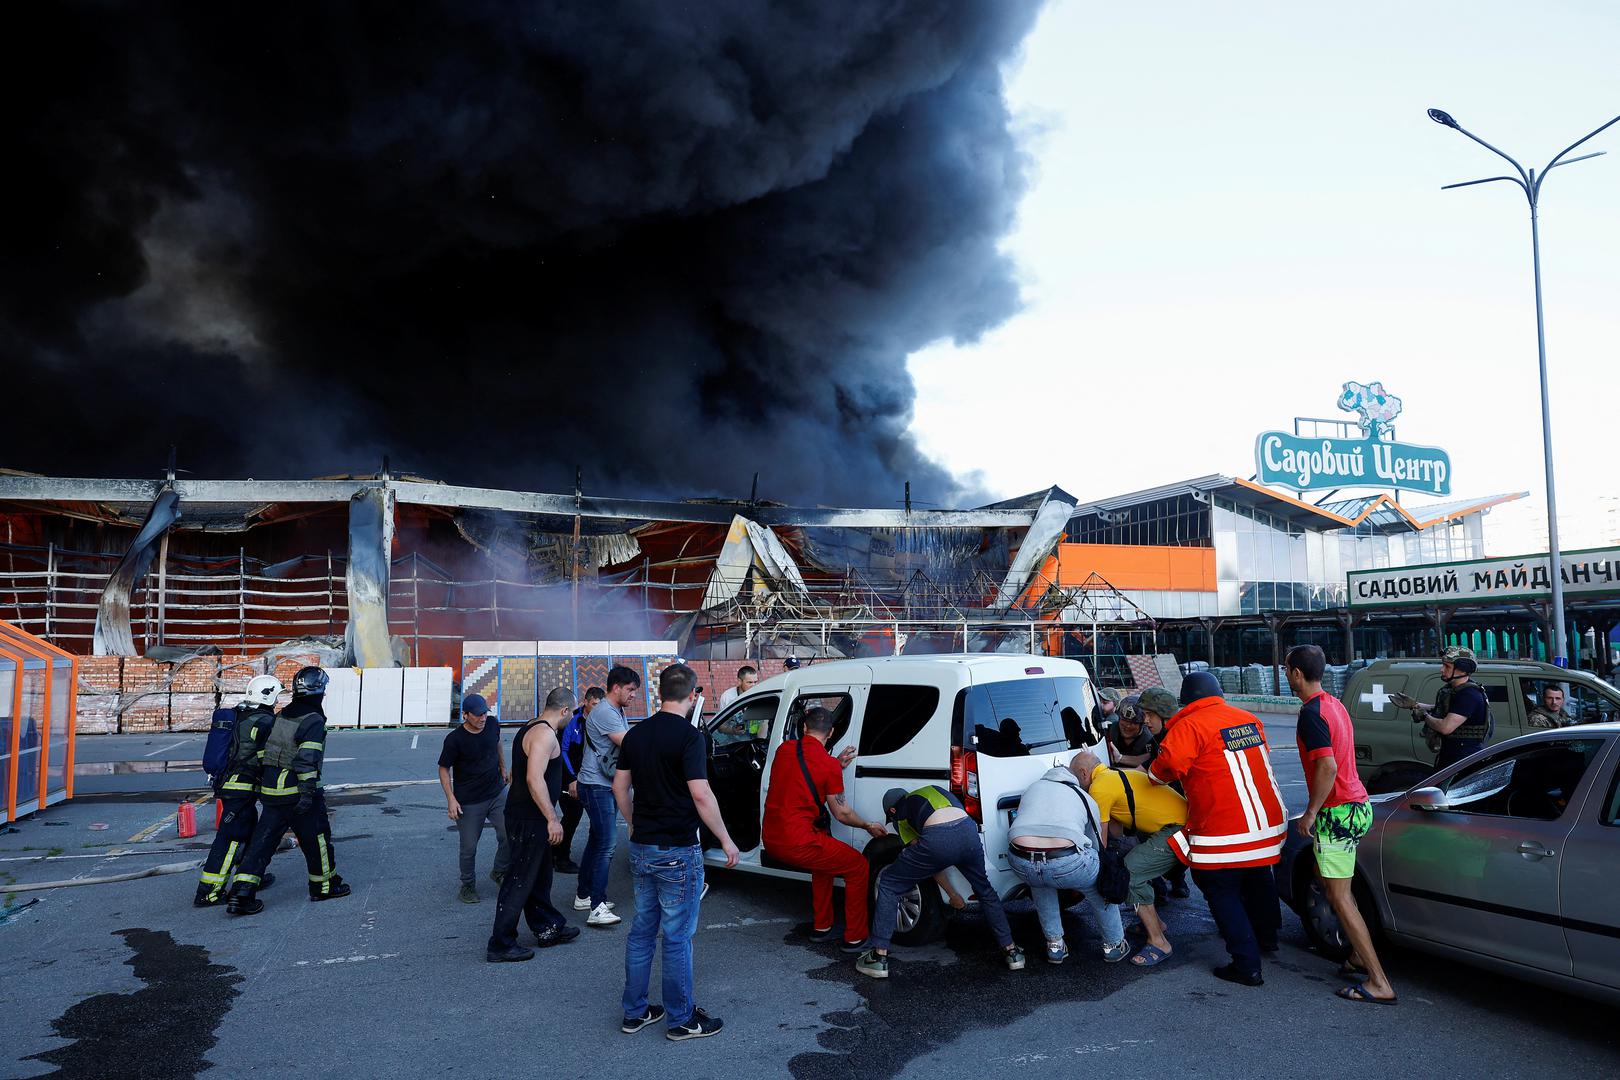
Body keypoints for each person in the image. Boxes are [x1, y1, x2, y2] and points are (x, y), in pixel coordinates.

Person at [613, 663, 741, 1041]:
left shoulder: (636, 735)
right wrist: (727, 839)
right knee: (676, 937)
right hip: (678, 850)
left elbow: (620, 788)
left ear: (658, 692)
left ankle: (635, 1013)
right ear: (693, 695)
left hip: (642, 846)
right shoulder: (689, 737)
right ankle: (682, 1020)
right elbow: (701, 793)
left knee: (641, 933)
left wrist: (633, 822)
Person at [1147, 670, 1285, 987]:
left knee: (1219, 887)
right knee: (1257, 873)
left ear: (1186, 700)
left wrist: (1153, 770)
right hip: (1266, 824)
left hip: (1223, 827)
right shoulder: (1248, 719)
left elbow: (1164, 770)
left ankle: (1246, 964)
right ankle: (1267, 937)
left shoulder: (1188, 724)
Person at [1285, 644, 1396, 1005]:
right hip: (1357, 805)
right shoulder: (1334, 704)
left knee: (1339, 897)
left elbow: (1328, 767)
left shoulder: (1310, 714)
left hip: (1337, 812)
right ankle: (1356, 955)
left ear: (1297, 674)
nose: (1287, 676)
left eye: (1288, 670)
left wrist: (1311, 812)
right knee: (1331, 881)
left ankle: (1378, 980)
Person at [856, 786, 1025, 979]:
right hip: (968, 831)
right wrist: (953, 895)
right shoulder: (932, 791)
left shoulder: (901, 816)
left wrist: (952, 893)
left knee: (889, 883)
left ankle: (878, 958)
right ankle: (1012, 952)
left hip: (939, 839)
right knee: (985, 890)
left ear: (892, 810)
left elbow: (930, 862)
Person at [762, 707, 886, 952]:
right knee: (857, 866)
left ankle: (822, 927)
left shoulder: (783, 750)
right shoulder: (827, 765)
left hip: (772, 838)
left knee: (825, 860)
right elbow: (842, 813)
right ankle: (855, 937)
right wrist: (867, 825)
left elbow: (802, 769)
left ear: (804, 728)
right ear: (831, 733)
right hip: (799, 842)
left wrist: (835, 765)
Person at [226, 667, 350, 914]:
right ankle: (323, 887)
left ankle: (241, 893)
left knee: (261, 844)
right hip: (297, 792)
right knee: (317, 840)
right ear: (320, 690)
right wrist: (306, 793)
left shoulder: (282, 715)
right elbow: (306, 759)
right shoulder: (313, 719)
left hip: (272, 791)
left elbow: (265, 752)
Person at [487, 687, 582, 962]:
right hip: (530, 818)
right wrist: (552, 818)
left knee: (540, 876)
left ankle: (548, 927)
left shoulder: (530, 726)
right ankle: (501, 943)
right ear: (564, 710)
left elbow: (517, 772)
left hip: (525, 814)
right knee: (519, 879)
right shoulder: (544, 734)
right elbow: (533, 778)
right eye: (572, 713)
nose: (571, 718)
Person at [1005, 753, 1128, 966]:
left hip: (1020, 861)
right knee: (1099, 885)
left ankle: (1054, 946)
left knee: (1040, 883)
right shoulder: (1084, 797)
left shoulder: (1032, 789)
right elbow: (1096, 843)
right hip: (1066, 864)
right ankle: (1114, 945)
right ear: (1078, 775)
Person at [1078, 745, 1188, 968]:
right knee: (1130, 862)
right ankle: (1156, 923)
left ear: (1083, 774)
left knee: (1129, 873)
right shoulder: (1115, 774)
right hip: (1181, 823)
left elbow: (1102, 838)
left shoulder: (1099, 788)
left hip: (1177, 830)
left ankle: (1159, 942)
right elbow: (1118, 829)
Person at [194, 675, 282, 906]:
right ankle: (209, 891)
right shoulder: (263, 721)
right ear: (268, 696)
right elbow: (268, 757)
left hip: (232, 784)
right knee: (231, 838)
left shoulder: (241, 714)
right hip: (241, 787)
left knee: (249, 832)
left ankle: (249, 877)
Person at [576, 665, 641, 926]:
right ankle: (597, 906)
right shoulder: (605, 711)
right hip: (597, 785)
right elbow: (629, 743)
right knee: (607, 844)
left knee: (596, 841)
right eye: (630, 690)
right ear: (616, 688)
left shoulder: (615, 709)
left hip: (600, 784)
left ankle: (584, 894)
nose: (634, 695)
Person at [438, 693, 511, 903]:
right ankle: (467, 885)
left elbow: (496, 743)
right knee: (469, 846)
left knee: (509, 833)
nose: (482, 718)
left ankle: (499, 870)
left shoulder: (492, 725)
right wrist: (451, 799)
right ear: (465, 715)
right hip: (469, 801)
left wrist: (503, 767)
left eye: (484, 714)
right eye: (477, 715)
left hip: (497, 792)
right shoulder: (455, 740)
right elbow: (444, 769)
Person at [1136, 687, 1190, 901]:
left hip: (1185, 805)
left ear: (1164, 713)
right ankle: (1160, 886)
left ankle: (1175, 880)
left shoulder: (1178, 736)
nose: (1145, 721)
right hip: (1169, 802)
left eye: (1149, 715)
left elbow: (1158, 771)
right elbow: (1149, 765)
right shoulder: (1157, 739)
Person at [1404, 647, 1492, 770]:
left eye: (1447, 666)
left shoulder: (1469, 695)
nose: (1441, 669)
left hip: (1463, 760)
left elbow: (1446, 727)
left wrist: (1424, 715)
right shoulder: (1456, 690)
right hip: (1453, 756)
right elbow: (1448, 710)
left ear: (1462, 670)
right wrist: (1415, 705)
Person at [558, 686, 604, 874]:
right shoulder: (572, 720)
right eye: (594, 705)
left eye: (600, 706)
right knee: (572, 817)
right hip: (571, 780)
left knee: (598, 819)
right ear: (585, 702)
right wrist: (572, 779)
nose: (597, 709)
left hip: (593, 778)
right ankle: (560, 857)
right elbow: (563, 751)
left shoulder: (601, 719)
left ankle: (596, 857)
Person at [1106, 694, 1154, 767]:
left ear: (1142, 724)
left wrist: (1120, 758)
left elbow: (1150, 760)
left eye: (1133, 723)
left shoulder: (1149, 740)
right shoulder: (1111, 730)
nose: (1127, 726)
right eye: (1124, 721)